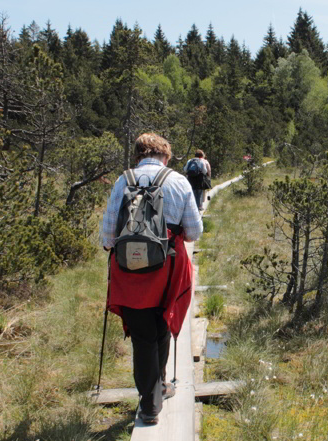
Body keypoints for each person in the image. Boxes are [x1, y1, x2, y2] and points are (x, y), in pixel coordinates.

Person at [99, 133, 202, 425]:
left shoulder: (123, 181)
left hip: (129, 270)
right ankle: (159, 388)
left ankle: (149, 403)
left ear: (137, 156)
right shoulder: (178, 181)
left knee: (142, 336)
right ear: (166, 156)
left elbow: (107, 235)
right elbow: (194, 231)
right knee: (162, 325)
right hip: (167, 268)